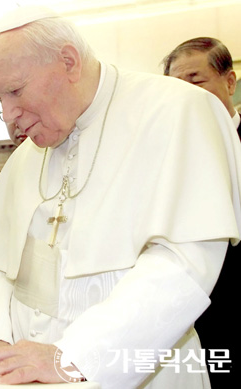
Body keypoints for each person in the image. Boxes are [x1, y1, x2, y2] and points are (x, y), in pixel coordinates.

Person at [0, 7, 241, 389]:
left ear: (69, 62)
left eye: (15, 91)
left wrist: (73, 356)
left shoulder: (178, 110)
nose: (10, 117)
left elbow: (182, 264)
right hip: (25, 378)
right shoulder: (29, 152)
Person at [163, 36, 241, 387]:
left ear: (229, 81)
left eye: (195, 81)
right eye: (175, 86)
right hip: (187, 318)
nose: (186, 94)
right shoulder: (162, 155)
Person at [163, 37, 240, 135]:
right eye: (178, 86)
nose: (186, 93)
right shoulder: (170, 142)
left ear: (230, 83)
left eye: (196, 82)